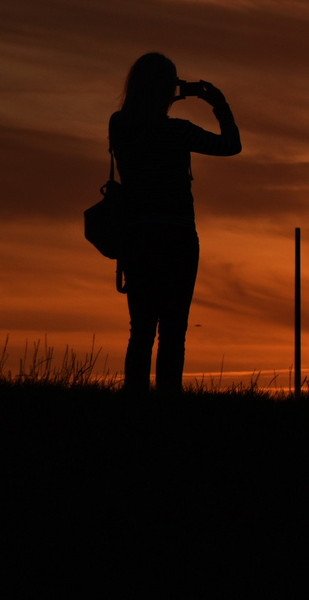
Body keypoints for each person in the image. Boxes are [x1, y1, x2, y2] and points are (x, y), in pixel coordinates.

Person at [109, 52, 241, 392]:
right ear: (168, 88)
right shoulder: (178, 131)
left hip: (137, 234)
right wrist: (218, 103)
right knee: (173, 329)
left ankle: (135, 398)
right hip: (176, 234)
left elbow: (140, 125)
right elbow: (230, 145)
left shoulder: (119, 126)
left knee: (141, 330)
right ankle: (169, 401)